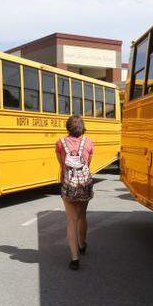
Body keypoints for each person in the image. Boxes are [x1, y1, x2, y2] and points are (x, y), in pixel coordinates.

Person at [56, 115, 94, 270]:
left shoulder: (60, 143)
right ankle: (82, 244)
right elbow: (89, 163)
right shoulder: (89, 142)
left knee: (71, 220)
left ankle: (74, 259)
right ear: (82, 128)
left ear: (68, 128)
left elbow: (60, 162)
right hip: (84, 184)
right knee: (82, 216)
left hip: (68, 184)